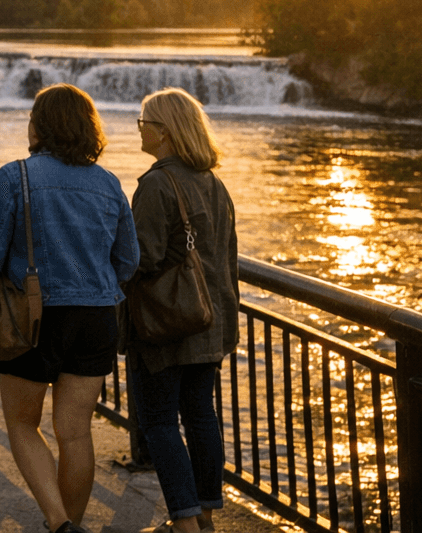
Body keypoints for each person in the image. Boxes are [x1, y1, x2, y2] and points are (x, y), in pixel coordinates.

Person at [0, 84, 139, 533]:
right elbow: (128, 260)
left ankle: (58, 522)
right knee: (75, 431)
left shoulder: (15, 176)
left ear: (42, 125)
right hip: (97, 317)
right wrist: (97, 284)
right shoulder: (108, 183)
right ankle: (71, 526)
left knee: (23, 425)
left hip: (34, 317)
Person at [127, 88, 239, 533]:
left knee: (158, 421)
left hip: (167, 323)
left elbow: (144, 259)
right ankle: (205, 512)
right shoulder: (215, 183)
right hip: (210, 323)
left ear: (164, 133)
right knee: (200, 414)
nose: (140, 130)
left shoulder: (156, 184)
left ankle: (186, 523)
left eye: (143, 123)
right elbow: (225, 256)